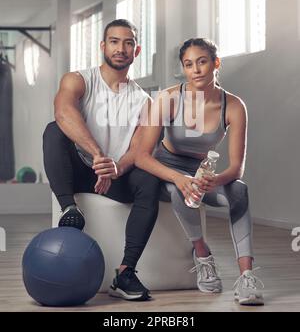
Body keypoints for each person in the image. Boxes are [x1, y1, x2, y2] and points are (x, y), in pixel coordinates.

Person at [135, 38, 264, 306]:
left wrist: (215, 180)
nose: (195, 70)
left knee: (239, 190)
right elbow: (141, 157)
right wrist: (178, 178)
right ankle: (203, 257)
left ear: (216, 64)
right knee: (178, 190)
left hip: (203, 172)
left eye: (202, 62)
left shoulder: (235, 106)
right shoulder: (168, 98)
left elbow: (237, 168)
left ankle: (247, 277)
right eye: (188, 64)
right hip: (166, 170)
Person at [43, 19, 161, 302]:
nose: (121, 48)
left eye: (128, 42)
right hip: (82, 168)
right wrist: (98, 155)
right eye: (114, 41)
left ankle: (125, 273)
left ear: (137, 50)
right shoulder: (79, 79)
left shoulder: (145, 101)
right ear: (103, 46)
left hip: (115, 176)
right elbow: (63, 112)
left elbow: (139, 149)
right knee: (53, 130)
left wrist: (116, 167)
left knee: (149, 178)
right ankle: (70, 209)